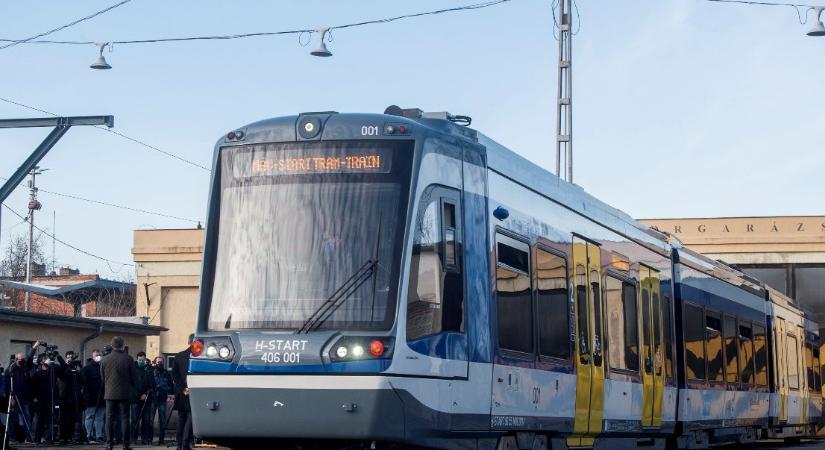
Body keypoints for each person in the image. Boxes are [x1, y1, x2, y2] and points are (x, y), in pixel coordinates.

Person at [100, 336, 136, 450]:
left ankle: (109, 444)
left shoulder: (104, 359)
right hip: (124, 393)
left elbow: (102, 378)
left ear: (112, 345)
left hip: (109, 393)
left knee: (109, 419)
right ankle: (125, 445)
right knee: (125, 418)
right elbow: (133, 378)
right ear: (122, 345)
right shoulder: (128, 359)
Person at [3, 344, 37, 446]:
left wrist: (34, 348)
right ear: (16, 360)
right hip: (14, 397)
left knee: (27, 417)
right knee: (13, 418)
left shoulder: (25, 368)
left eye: (23, 359)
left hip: (25, 398)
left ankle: (28, 437)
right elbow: (7, 384)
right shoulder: (11, 369)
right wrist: (9, 396)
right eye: (20, 359)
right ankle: (12, 437)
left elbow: (30, 358)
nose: (22, 361)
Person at [31, 352, 64, 444]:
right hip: (41, 400)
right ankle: (38, 438)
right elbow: (32, 387)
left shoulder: (53, 371)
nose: (48, 360)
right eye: (45, 359)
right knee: (41, 420)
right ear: (41, 362)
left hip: (52, 399)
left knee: (52, 419)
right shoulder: (37, 374)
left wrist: (58, 356)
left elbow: (64, 368)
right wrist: (34, 397)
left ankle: (50, 438)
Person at [171, 335, 194, 450]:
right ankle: (185, 444)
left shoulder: (179, 356)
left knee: (181, 419)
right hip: (192, 393)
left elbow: (174, 375)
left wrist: (182, 389)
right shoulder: (199, 356)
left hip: (182, 393)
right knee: (189, 420)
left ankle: (179, 444)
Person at [80, 349, 106, 444]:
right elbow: (82, 380)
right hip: (91, 397)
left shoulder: (103, 366)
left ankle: (99, 435)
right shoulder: (87, 368)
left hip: (102, 396)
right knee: (89, 416)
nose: (98, 356)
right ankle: (88, 435)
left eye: (99, 354)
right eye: (96, 355)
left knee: (100, 418)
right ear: (92, 356)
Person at [57, 351, 82, 444]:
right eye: (68, 357)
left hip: (73, 397)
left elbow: (82, 380)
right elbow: (60, 374)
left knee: (72, 419)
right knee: (63, 418)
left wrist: (79, 369)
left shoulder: (75, 369)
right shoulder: (63, 368)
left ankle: (70, 436)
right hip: (63, 397)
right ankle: (62, 437)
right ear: (66, 358)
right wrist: (65, 365)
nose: (70, 359)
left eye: (71, 357)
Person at [130, 352, 154, 445]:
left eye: (143, 360)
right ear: (137, 359)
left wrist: (145, 394)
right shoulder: (132, 369)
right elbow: (131, 385)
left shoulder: (148, 369)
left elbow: (151, 384)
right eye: (140, 360)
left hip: (146, 399)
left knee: (146, 420)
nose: (141, 361)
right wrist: (139, 395)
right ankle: (133, 438)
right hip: (135, 399)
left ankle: (145, 438)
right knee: (135, 419)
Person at [150, 356, 173, 445]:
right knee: (150, 420)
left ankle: (161, 439)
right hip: (153, 398)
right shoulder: (151, 372)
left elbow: (170, 385)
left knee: (163, 420)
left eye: (161, 362)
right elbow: (149, 384)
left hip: (162, 399)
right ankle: (149, 439)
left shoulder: (166, 373)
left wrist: (165, 390)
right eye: (158, 362)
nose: (160, 363)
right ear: (155, 362)